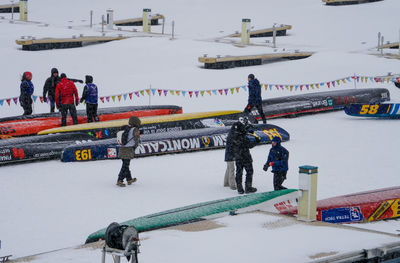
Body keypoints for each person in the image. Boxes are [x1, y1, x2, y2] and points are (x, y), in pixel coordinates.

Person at [231, 117, 261, 194]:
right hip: (245, 157)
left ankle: (240, 188)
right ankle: (248, 187)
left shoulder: (233, 136)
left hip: (238, 157)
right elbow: (249, 145)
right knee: (249, 171)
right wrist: (256, 141)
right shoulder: (242, 137)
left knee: (239, 172)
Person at [116, 116, 141, 187]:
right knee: (125, 165)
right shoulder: (135, 129)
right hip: (128, 149)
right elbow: (136, 139)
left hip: (122, 148)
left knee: (126, 164)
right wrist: (135, 146)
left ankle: (129, 179)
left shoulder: (125, 128)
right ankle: (120, 180)